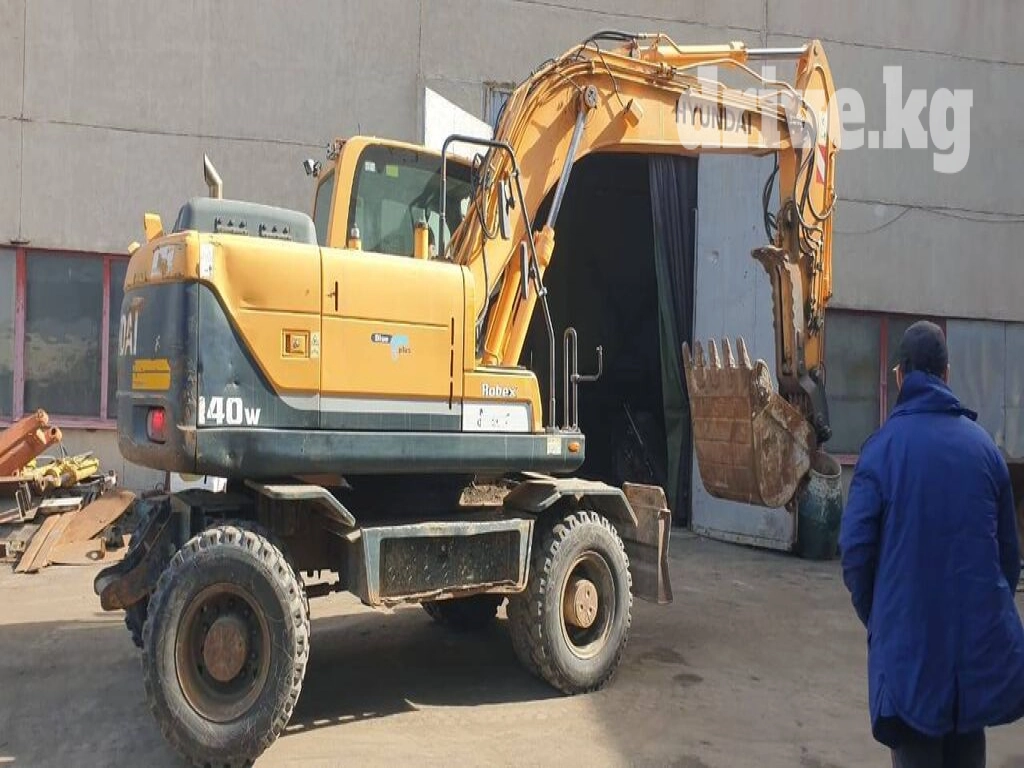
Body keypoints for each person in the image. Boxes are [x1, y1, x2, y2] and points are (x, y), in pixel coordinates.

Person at [840, 320, 1024, 768]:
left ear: (899, 375)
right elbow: (1008, 559)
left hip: (911, 665)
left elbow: (856, 554)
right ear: (947, 374)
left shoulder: (881, 452)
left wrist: (882, 616)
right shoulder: (986, 452)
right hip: (970, 671)